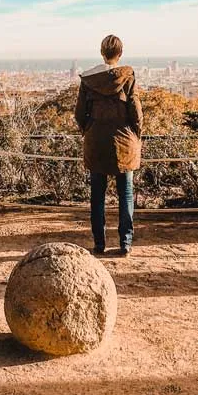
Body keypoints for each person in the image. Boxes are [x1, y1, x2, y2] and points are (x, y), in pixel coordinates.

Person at [75, 35, 143, 257]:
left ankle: (99, 244)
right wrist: (136, 135)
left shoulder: (88, 80)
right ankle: (125, 243)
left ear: (101, 52)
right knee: (126, 195)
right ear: (120, 54)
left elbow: (79, 114)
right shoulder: (127, 77)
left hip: (96, 142)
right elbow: (135, 111)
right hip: (124, 141)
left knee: (97, 196)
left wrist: (89, 129)